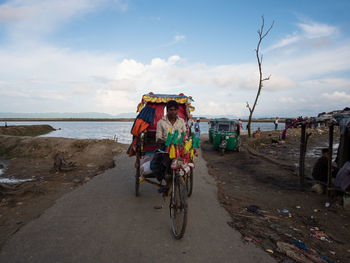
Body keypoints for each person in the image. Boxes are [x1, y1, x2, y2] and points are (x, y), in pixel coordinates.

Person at [151, 100, 186, 186]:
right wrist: (168, 142)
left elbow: (185, 135)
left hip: (179, 147)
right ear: (167, 110)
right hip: (165, 147)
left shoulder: (181, 121)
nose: (173, 112)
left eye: (175, 110)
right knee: (154, 165)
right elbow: (158, 139)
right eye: (171, 109)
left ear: (177, 111)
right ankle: (163, 180)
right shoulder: (161, 122)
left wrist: (184, 141)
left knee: (186, 163)